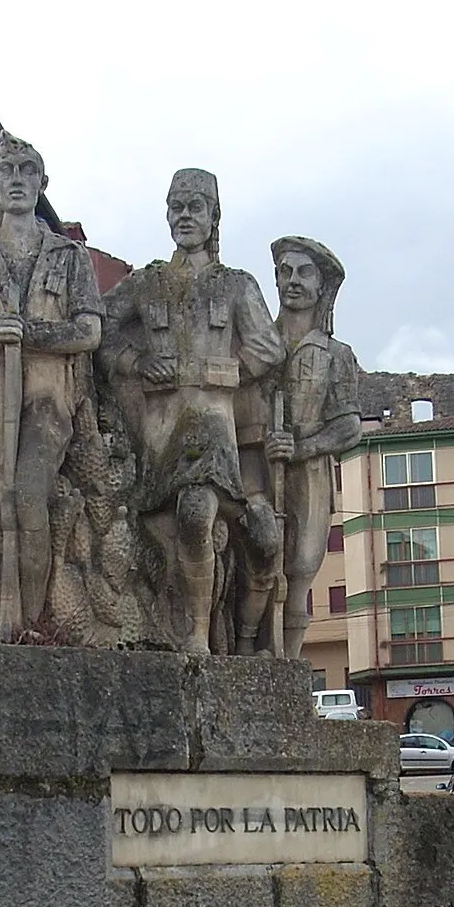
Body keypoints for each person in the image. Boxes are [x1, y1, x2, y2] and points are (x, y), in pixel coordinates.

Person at [98, 168, 285, 654]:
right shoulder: (148, 284)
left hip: (213, 430)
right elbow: (101, 330)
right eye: (176, 206)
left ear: (213, 217)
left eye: (195, 206)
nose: (184, 215)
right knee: (166, 535)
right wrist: (136, 364)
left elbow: (268, 347)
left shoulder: (236, 285)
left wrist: (222, 371)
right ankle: (183, 626)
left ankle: (199, 636)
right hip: (157, 437)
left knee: (198, 509)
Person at [0, 134, 103, 640]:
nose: (14, 179)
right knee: (0, 498)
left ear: (40, 183)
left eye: (25, 170)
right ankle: (4, 615)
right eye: (6, 170)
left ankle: (29, 618)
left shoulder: (68, 256)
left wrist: (33, 335)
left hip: (49, 395)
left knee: (28, 495)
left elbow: (90, 331)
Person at [265, 236, 362, 657]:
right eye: (285, 272)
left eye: (304, 272)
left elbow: (349, 427)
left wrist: (302, 448)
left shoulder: (336, 355)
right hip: (256, 462)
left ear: (321, 286)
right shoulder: (258, 342)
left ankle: (287, 660)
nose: (293, 281)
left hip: (308, 474)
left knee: (300, 569)